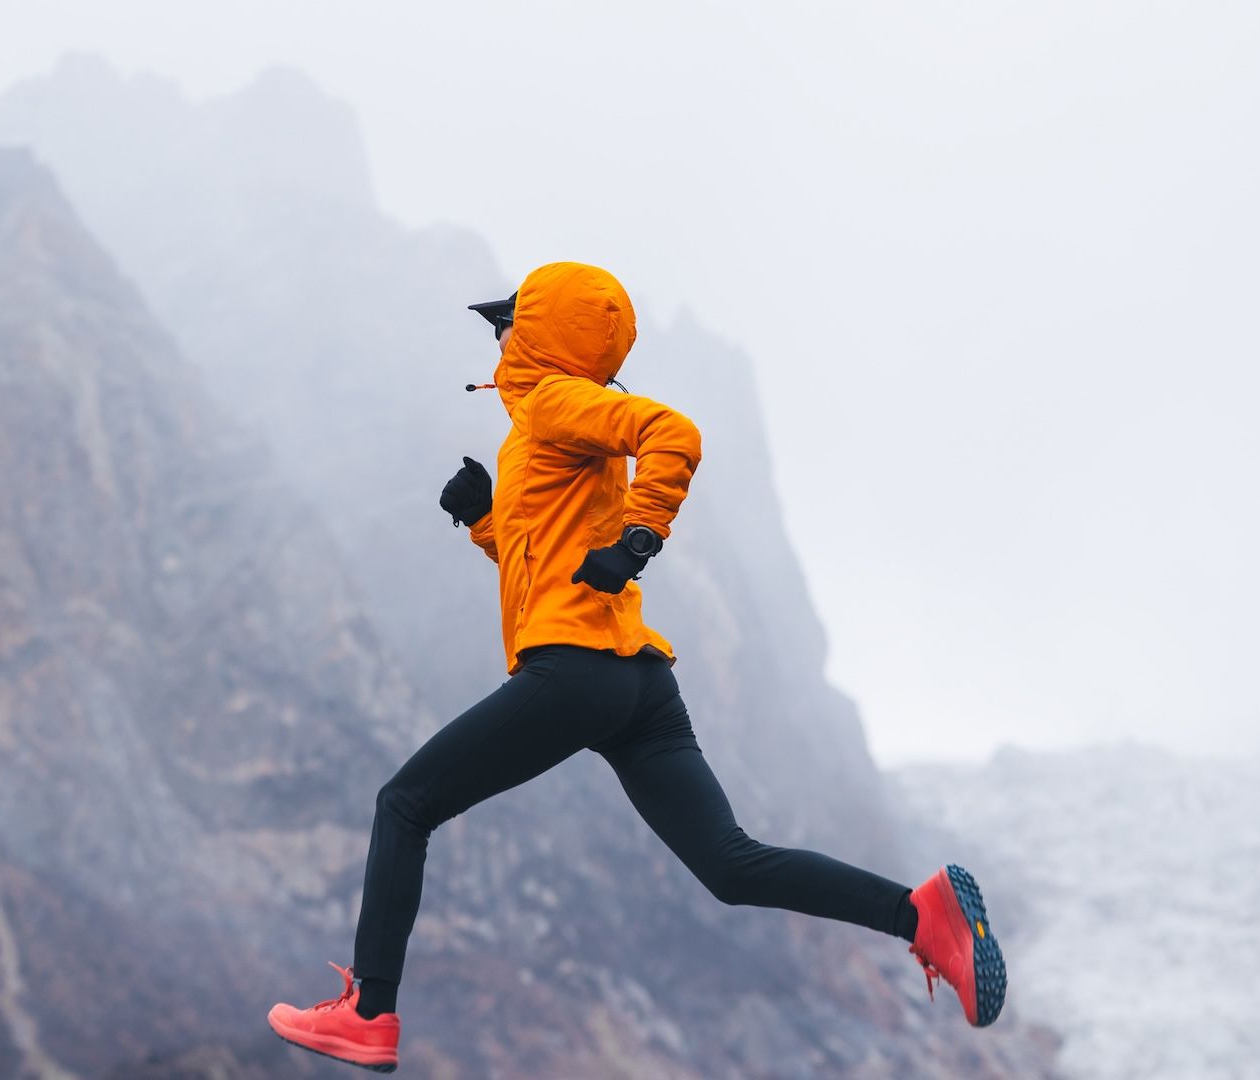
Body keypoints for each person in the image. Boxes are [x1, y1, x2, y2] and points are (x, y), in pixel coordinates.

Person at [266, 263, 1005, 1073]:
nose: (496, 337)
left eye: (506, 323)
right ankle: (919, 916)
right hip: (635, 684)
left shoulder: (553, 402)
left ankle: (368, 1012)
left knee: (404, 804)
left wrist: (639, 541)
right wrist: (484, 521)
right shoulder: (540, 431)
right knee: (730, 864)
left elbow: (675, 434)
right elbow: (547, 567)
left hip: (575, 673)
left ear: (542, 334)